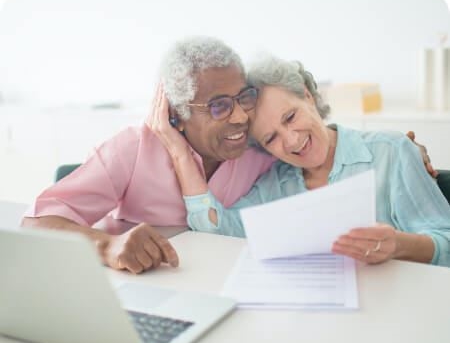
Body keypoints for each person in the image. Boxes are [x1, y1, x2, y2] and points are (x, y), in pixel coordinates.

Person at [151, 55, 450, 267]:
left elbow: (445, 243)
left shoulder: (391, 152)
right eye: (271, 138)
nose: (292, 141)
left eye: (290, 117)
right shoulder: (275, 184)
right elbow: (216, 232)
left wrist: (398, 245)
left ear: (307, 96)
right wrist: (180, 154)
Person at [22, 36, 276, 274]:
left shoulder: (262, 148)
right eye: (218, 106)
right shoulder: (132, 149)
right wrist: (107, 245)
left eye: (244, 97)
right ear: (176, 114)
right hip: (146, 288)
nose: (241, 116)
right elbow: (36, 225)